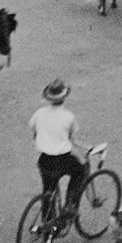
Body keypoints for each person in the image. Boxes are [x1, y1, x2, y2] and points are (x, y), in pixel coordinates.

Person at [31, 78, 84, 222]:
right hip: (63, 159)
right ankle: (70, 205)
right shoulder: (68, 116)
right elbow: (72, 137)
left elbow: (34, 132)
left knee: (48, 189)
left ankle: (47, 224)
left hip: (44, 160)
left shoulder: (39, 114)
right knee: (81, 171)